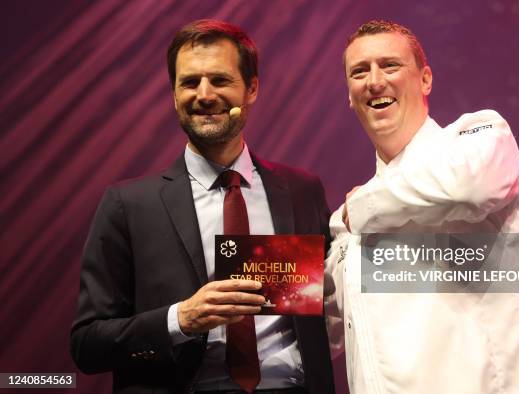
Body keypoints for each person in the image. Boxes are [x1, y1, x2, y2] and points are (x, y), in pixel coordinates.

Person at [71, 19, 335, 394]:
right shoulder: (127, 206)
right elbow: (87, 345)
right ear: (174, 93)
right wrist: (179, 319)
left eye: (220, 80)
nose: (204, 94)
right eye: (190, 82)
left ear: (252, 88)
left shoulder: (302, 190)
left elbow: (335, 297)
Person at [324, 20, 519, 393]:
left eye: (390, 65)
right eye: (359, 71)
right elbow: (313, 319)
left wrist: (361, 206)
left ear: (425, 79)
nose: (374, 81)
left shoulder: (479, 136)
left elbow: (467, 189)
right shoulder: (347, 221)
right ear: (349, 94)